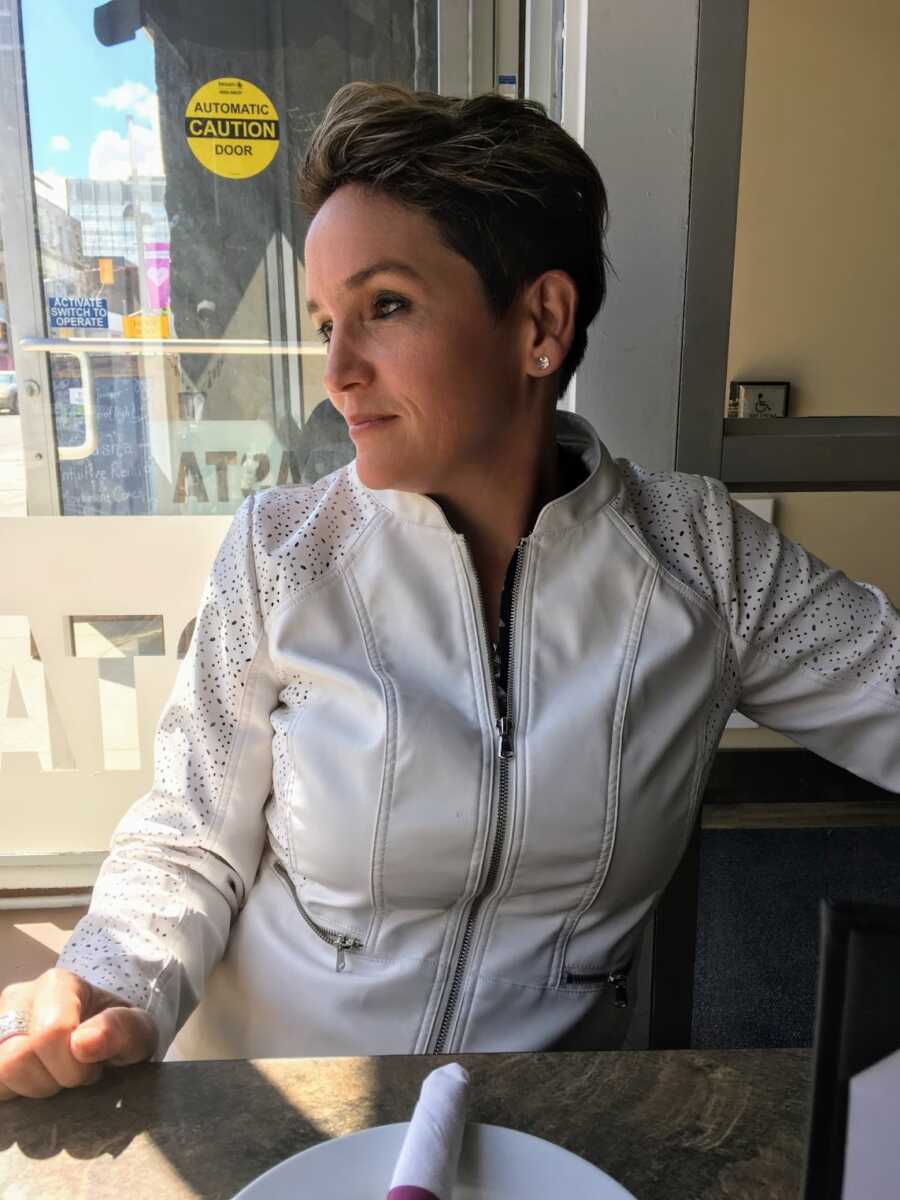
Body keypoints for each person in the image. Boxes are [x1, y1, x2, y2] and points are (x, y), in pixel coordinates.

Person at [2, 81, 899, 1101]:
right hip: (280, 1107)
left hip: (533, 1126)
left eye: (385, 306)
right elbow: (190, 836)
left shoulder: (701, 560)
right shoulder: (283, 551)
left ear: (540, 324)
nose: (336, 369)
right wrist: (106, 980)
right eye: (326, 319)